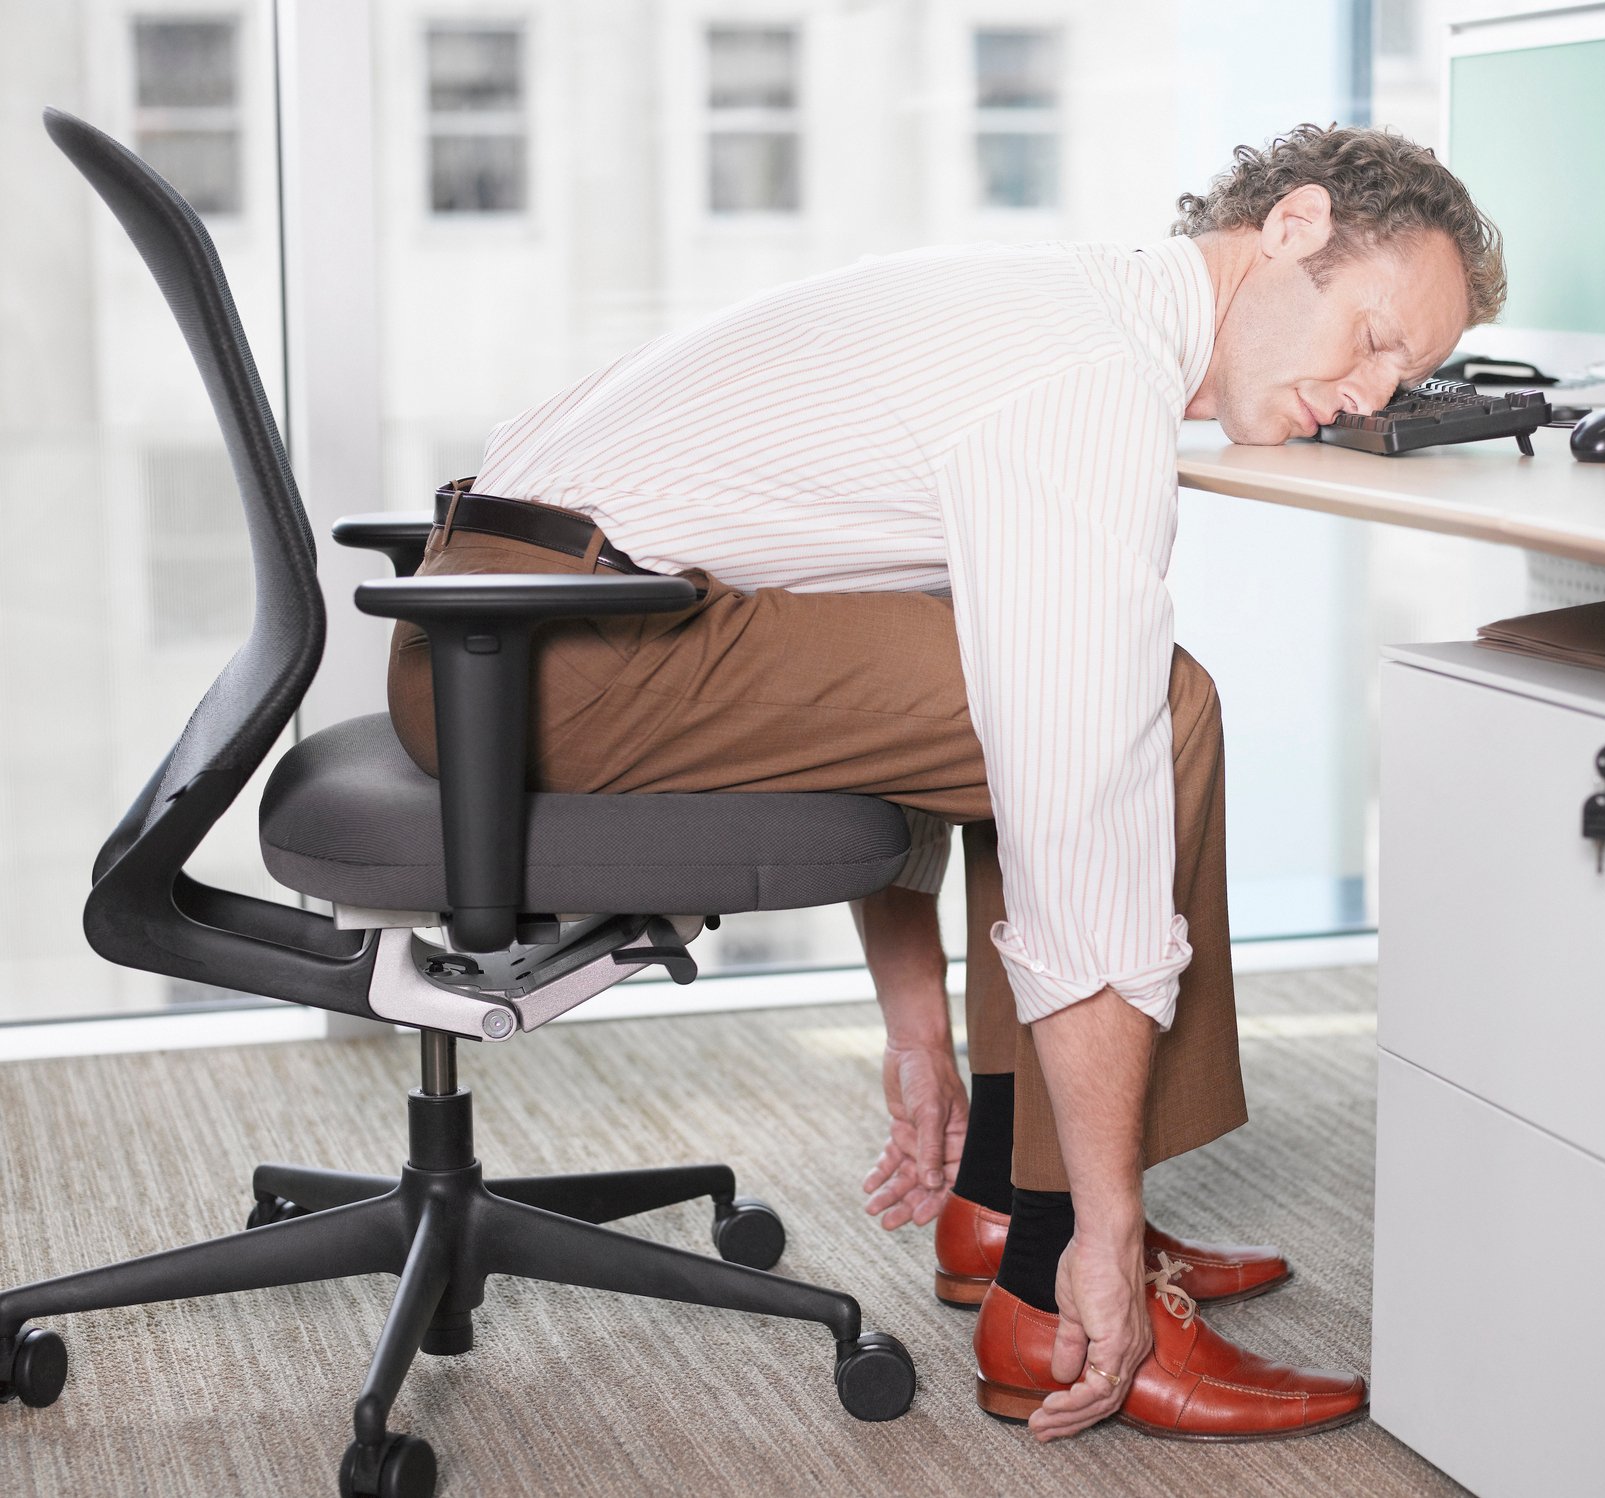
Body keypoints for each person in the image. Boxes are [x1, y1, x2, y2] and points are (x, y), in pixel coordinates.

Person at [385, 122, 1504, 1443]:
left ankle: (998, 1200)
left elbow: (902, 672)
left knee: (1075, 690)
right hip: (548, 657)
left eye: (1408, 373)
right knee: (1133, 707)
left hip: (513, 629)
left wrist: (916, 1028)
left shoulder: (1064, 308)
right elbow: (1073, 794)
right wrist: (1103, 1224)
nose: (1375, 394)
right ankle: (1055, 1285)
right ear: (1296, 227)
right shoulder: (1082, 381)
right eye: (1376, 338)